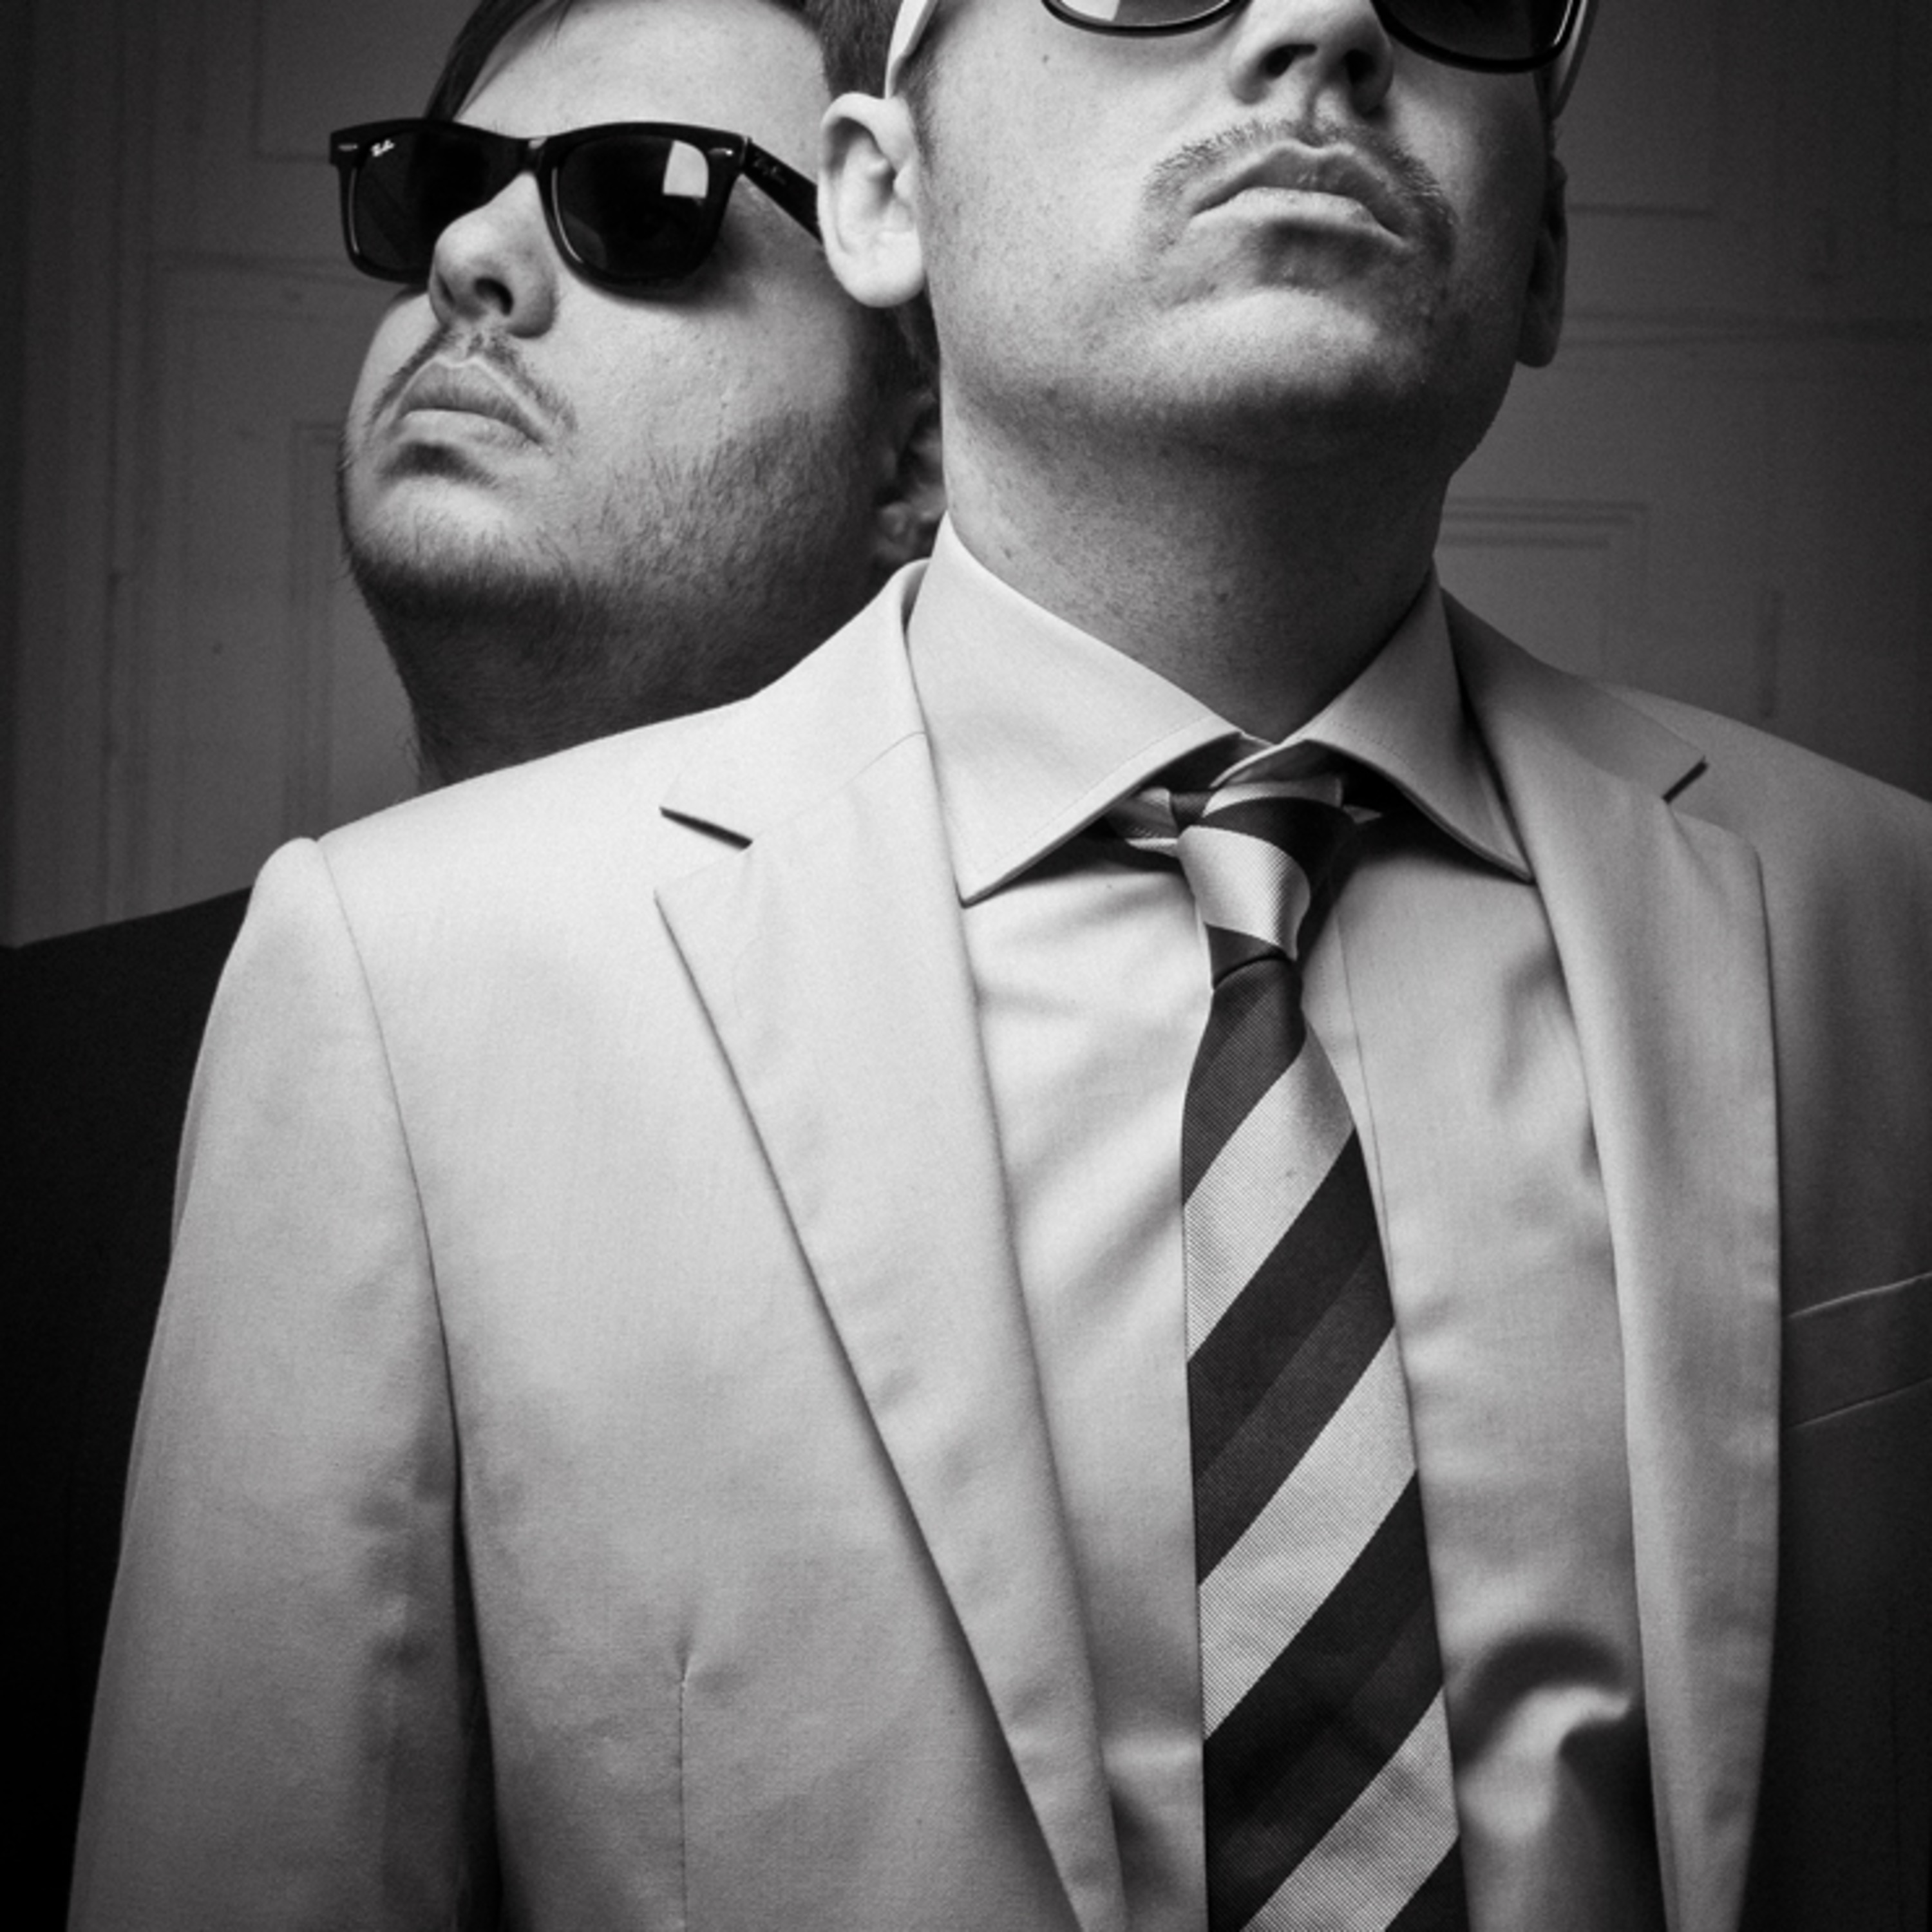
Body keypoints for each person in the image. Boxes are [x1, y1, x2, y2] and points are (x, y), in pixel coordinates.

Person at [71, 0, 1931, 1928]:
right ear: (885, 198)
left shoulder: (1885, 932)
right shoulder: (404, 978)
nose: (1324, 22)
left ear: (1539, 252)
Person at [17, 0, 931, 1922]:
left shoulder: (1086, 1136)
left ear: (910, 450)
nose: (467, 259)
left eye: (645, 204)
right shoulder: (30, 1089)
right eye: (443, 187)